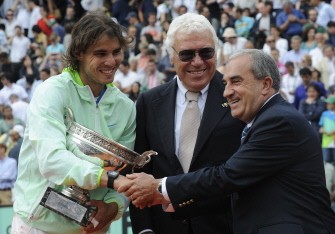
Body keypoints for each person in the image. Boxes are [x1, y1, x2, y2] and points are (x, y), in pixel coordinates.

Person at [115, 49, 335, 234]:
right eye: (226, 83)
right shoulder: (263, 121)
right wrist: (165, 199)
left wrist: (159, 186)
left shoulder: (278, 121)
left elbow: (227, 176)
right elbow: (236, 189)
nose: (227, 92)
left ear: (266, 84)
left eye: (236, 82)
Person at [11, 13, 136, 234]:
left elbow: (126, 173)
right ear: (78, 53)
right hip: (38, 226)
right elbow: (51, 160)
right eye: (100, 53)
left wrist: (114, 206)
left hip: (91, 229)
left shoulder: (126, 107)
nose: (111, 61)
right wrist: (106, 179)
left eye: (116, 52)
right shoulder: (51, 92)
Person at [128, 13, 245, 234]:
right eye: (187, 54)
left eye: (206, 52)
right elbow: (141, 170)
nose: (198, 61)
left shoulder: (238, 96)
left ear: (216, 52)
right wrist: (144, 230)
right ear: (171, 56)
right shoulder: (149, 102)